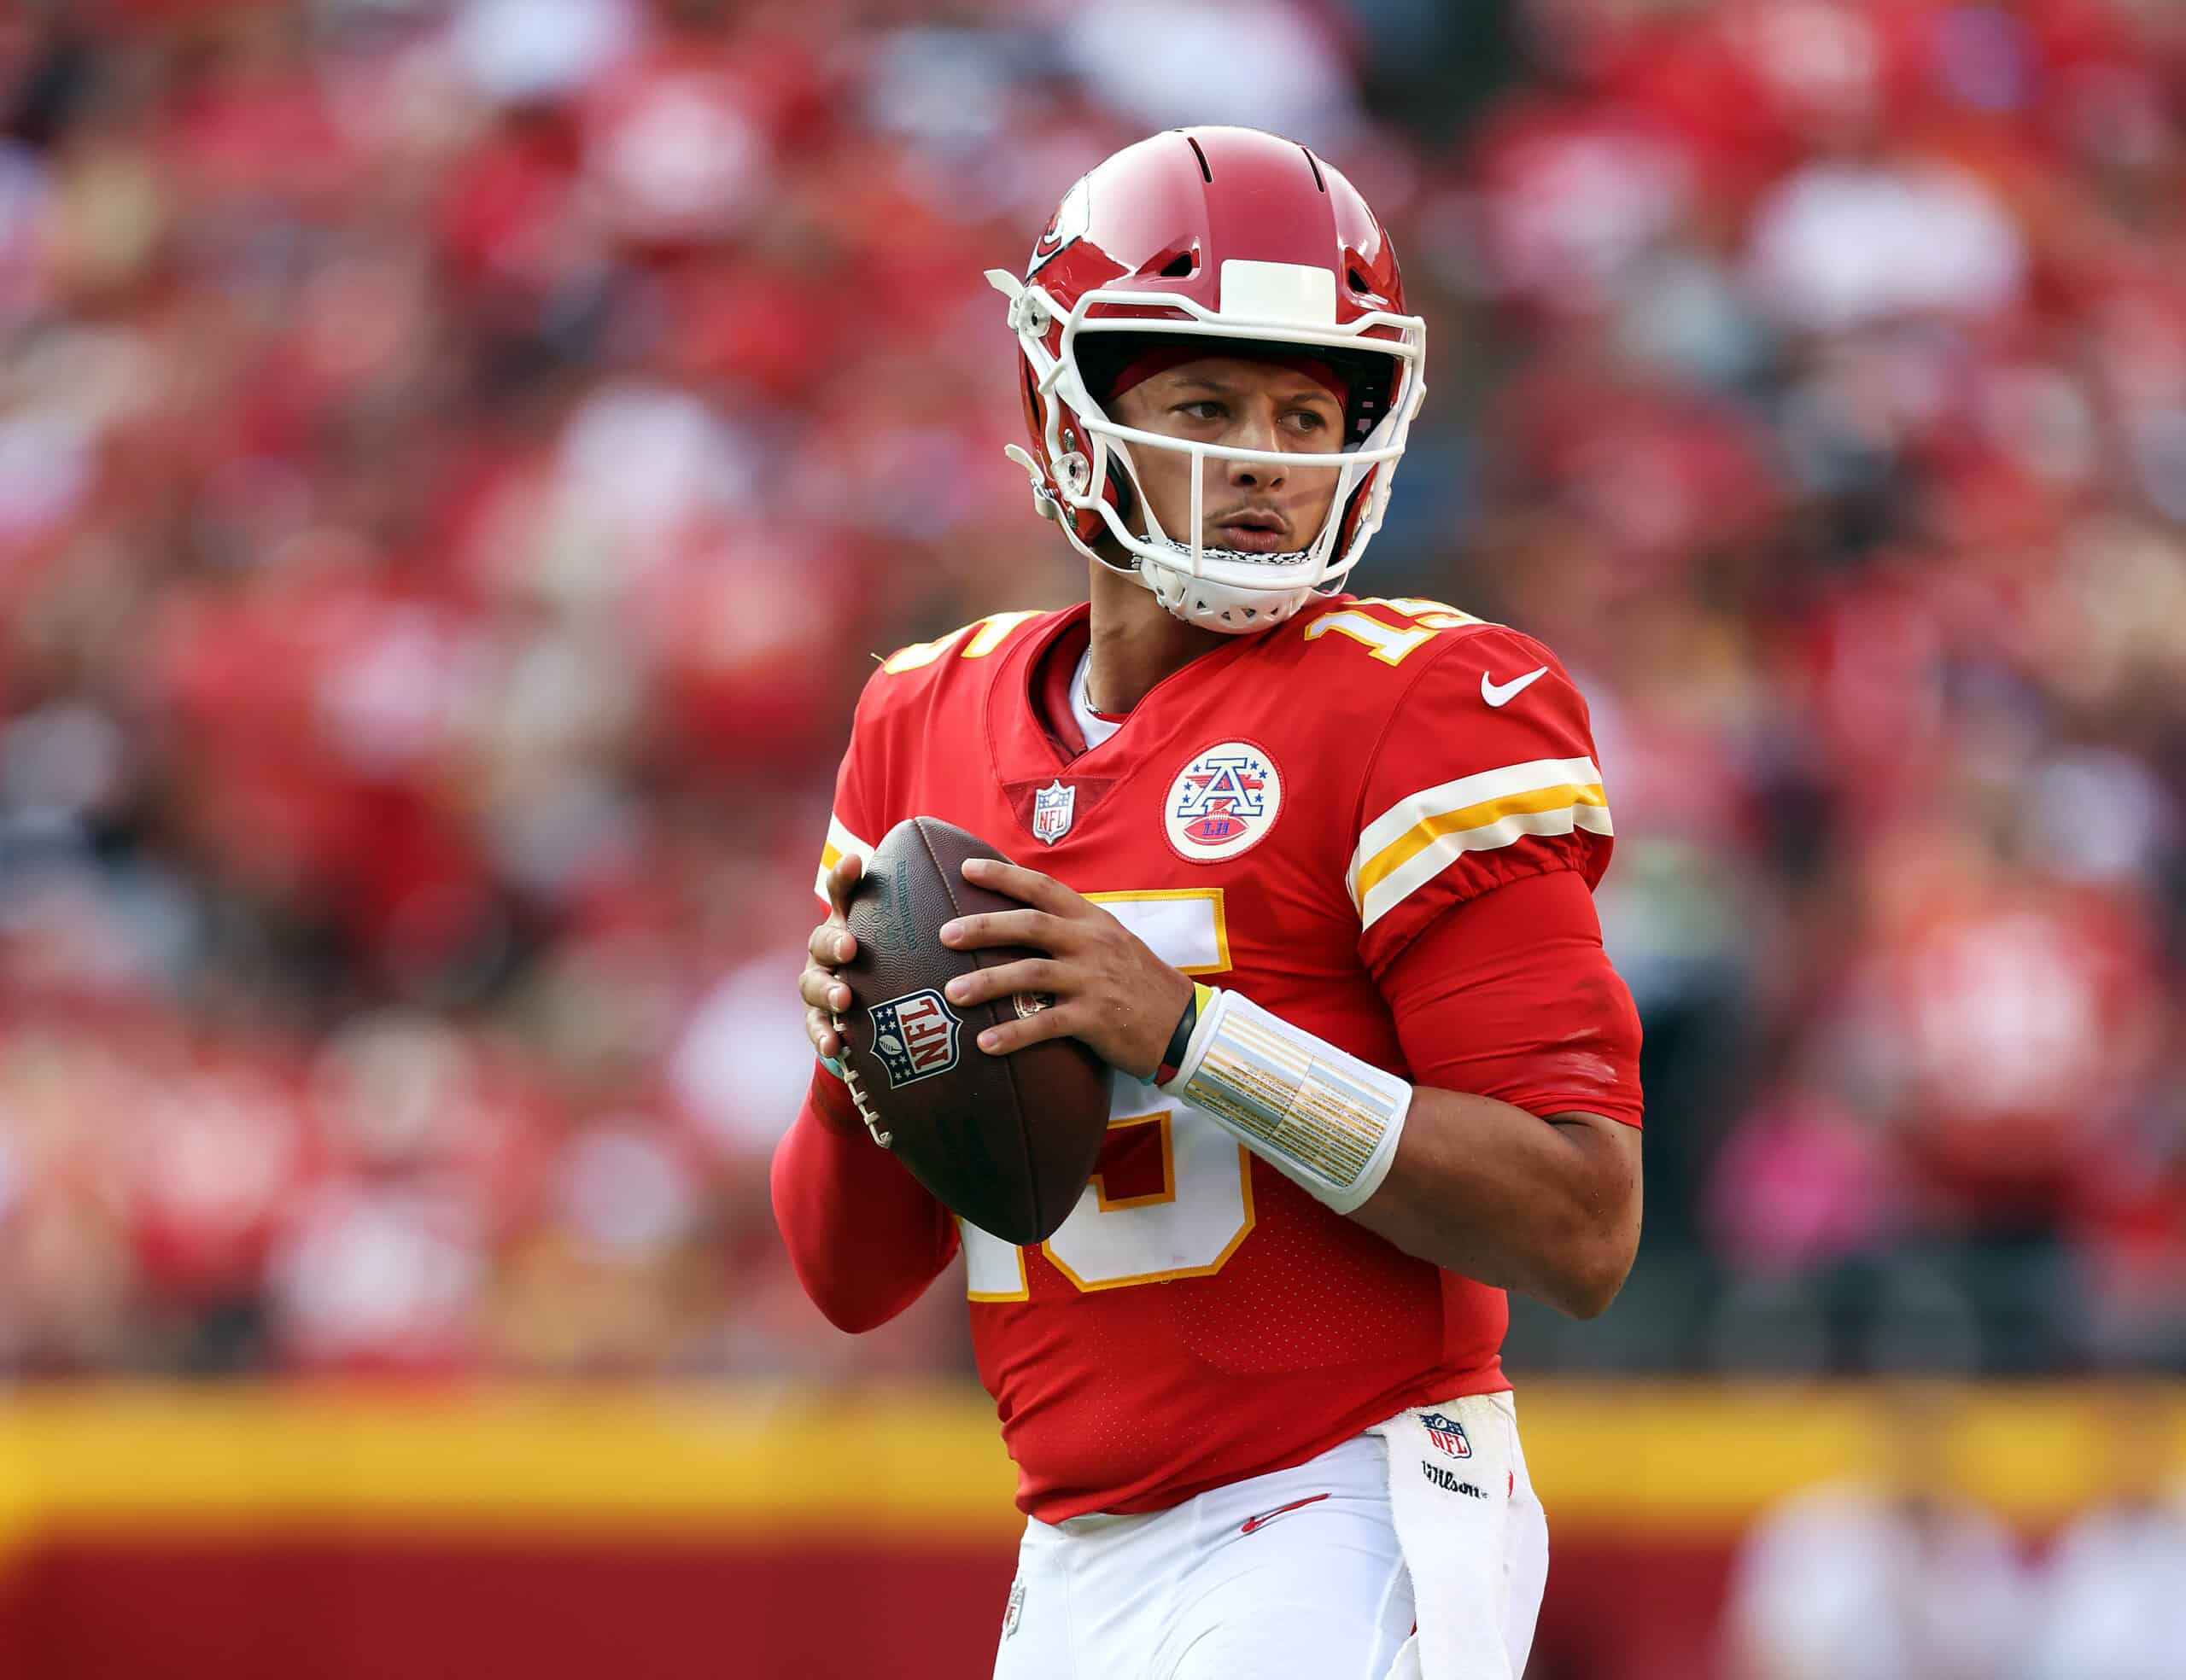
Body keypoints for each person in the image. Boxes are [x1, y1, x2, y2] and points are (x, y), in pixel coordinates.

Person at [771, 125, 1644, 1680]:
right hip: (1073, 1548)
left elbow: (1581, 1221)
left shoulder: (1432, 702)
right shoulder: (922, 717)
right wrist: (857, 1072)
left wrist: (1188, 1038)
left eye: (1308, 409)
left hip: (1349, 1497)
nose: (1265, 455)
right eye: (1207, 402)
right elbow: (850, 1281)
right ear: (1073, 407)